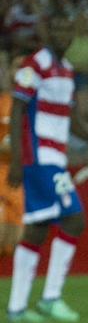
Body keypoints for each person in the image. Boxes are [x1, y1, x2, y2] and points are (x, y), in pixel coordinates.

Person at [6, 12, 88, 323]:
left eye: (67, 29)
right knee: (75, 219)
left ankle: (16, 308)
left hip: (53, 156)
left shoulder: (66, 70)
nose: (62, 34)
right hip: (37, 157)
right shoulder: (33, 65)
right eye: (56, 28)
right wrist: (16, 158)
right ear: (47, 31)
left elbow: (69, 120)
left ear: (73, 35)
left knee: (38, 229)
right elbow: (16, 111)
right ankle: (50, 298)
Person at [0, 55, 23, 259]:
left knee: (17, 244)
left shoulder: (33, 105)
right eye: (16, 66)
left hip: (23, 176)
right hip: (1, 172)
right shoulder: (2, 102)